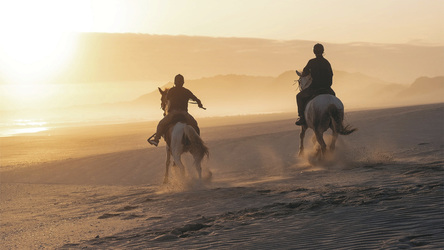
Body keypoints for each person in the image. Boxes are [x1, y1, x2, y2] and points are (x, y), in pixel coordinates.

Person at [148, 74, 204, 147]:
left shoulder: (171, 91)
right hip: (184, 113)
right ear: (183, 82)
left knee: (161, 124)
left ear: (174, 82)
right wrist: (200, 105)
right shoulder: (186, 91)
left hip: (173, 113)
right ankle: (197, 142)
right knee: (195, 125)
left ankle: (156, 139)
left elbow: (167, 100)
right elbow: (197, 99)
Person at [295, 43, 335, 126]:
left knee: (299, 96)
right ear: (323, 51)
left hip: (315, 88)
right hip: (327, 88)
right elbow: (331, 75)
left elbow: (305, 73)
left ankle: (302, 117)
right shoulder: (326, 62)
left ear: (314, 51)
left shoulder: (311, 62)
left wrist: (302, 75)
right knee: (334, 96)